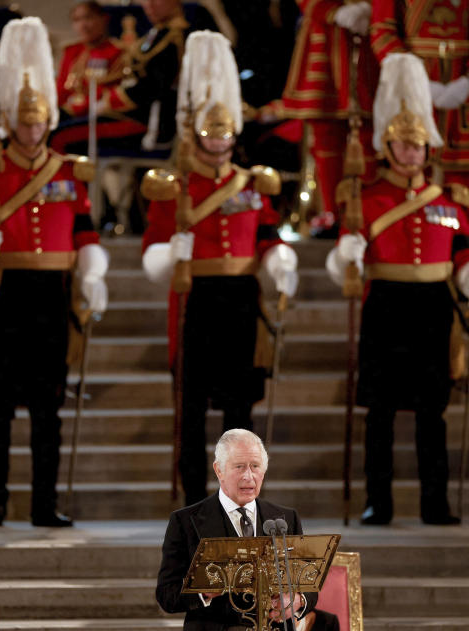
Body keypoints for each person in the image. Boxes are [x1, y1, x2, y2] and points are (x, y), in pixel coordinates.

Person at [0, 17, 108, 527]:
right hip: (4, 294)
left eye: (40, 123)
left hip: (51, 296)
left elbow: (85, 232)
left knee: (48, 408)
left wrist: (93, 273)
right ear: (10, 123)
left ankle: (44, 502)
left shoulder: (67, 172)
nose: (33, 130)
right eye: (25, 123)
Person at [326, 52, 469, 526]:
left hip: (434, 307)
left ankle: (435, 502)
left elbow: (462, 248)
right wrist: (347, 254)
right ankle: (378, 501)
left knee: (431, 413)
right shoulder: (366, 196)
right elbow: (345, 254)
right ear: (388, 146)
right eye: (404, 144)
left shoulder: (450, 200)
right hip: (386, 305)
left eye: (419, 144)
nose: (412, 152)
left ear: (429, 148)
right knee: (379, 414)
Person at [141, 31, 299, 508]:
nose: (218, 140)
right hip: (197, 300)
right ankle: (194, 499)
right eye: (210, 133)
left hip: (241, 299)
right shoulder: (176, 186)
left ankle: (243, 498)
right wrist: (173, 251)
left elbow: (267, 235)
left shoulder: (251, 184)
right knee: (191, 411)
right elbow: (151, 253)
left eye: (225, 133)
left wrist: (281, 262)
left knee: (240, 409)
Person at [156, 428, 317, 631]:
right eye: (239, 467)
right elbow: (166, 595)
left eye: (255, 466)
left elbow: (309, 585)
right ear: (219, 470)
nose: (248, 476)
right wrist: (203, 592)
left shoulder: (286, 519)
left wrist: (297, 600)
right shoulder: (186, 521)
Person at [370, 0, 469, 217]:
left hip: (461, 80)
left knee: (463, 179)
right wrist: (416, 80)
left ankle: (461, 242)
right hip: (412, 86)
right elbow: (382, 33)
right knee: (410, 166)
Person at [276, 0, 379, 237]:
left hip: (368, 36)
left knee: (368, 130)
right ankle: (332, 212)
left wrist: (374, 8)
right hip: (326, 37)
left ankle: (369, 208)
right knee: (326, 132)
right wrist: (332, 11)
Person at [98, 0, 190, 149]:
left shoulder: (178, 37)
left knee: (61, 137)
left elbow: (156, 87)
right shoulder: (158, 32)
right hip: (134, 114)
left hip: (152, 121)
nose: (149, 5)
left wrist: (112, 100)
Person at [56, 1, 125, 119]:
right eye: (76, 20)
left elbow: (111, 92)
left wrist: (72, 109)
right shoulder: (71, 51)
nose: (83, 25)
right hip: (67, 114)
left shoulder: (117, 52)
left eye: (88, 18)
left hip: (98, 116)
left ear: (104, 19)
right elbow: (61, 89)